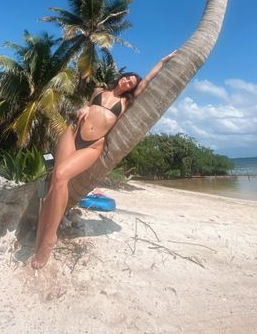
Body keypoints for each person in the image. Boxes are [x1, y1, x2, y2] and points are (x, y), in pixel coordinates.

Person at [31, 50, 177, 269]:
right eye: (128, 77)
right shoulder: (99, 90)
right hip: (72, 133)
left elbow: (147, 79)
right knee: (54, 184)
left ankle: (50, 238)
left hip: (93, 145)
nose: (129, 81)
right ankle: (40, 236)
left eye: (132, 82)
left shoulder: (127, 103)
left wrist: (164, 61)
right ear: (122, 76)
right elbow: (87, 106)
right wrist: (84, 107)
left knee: (61, 175)